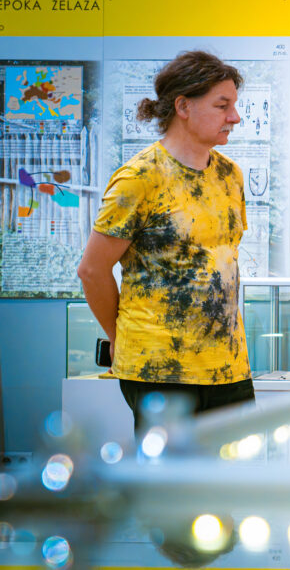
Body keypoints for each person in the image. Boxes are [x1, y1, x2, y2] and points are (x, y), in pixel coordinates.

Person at [77, 51, 253, 431]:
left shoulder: (231, 175)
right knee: (171, 472)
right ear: (183, 106)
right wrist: (119, 338)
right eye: (222, 106)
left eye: (234, 106)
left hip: (228, 366)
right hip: (159, 369)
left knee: (238, 469)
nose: (235, 117)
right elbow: (92, 270)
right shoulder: (139, 178)